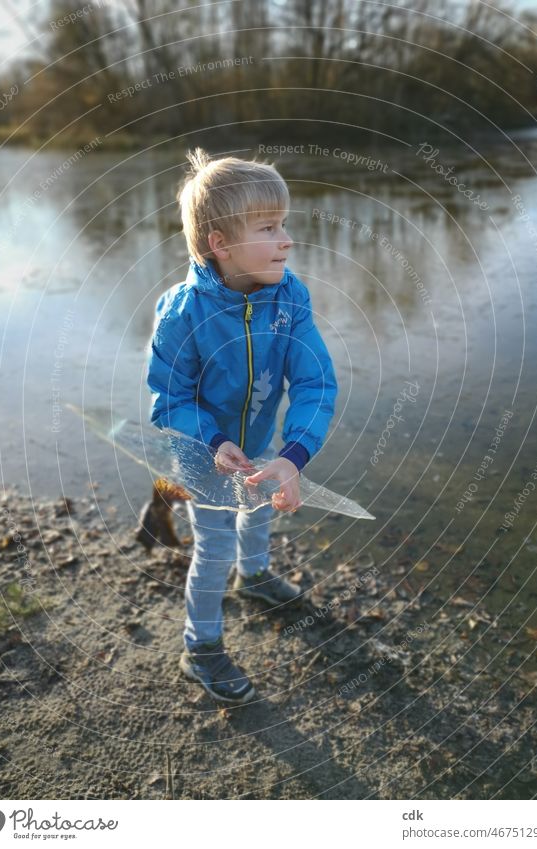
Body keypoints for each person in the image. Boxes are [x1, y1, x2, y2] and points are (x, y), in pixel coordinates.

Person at [146, 148, 337, 705]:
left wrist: (293, 456)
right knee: (215, 546)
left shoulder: (289, 298)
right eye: (269, 228)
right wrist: (212, 441)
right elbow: (169, 397)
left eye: (285, 225)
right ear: (221, 245)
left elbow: (314, 383)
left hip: (256, 443)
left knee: (259, 514)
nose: (287, 240)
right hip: (201, 452)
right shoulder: (183, 315)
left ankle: (254, 577)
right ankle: (200, 646)